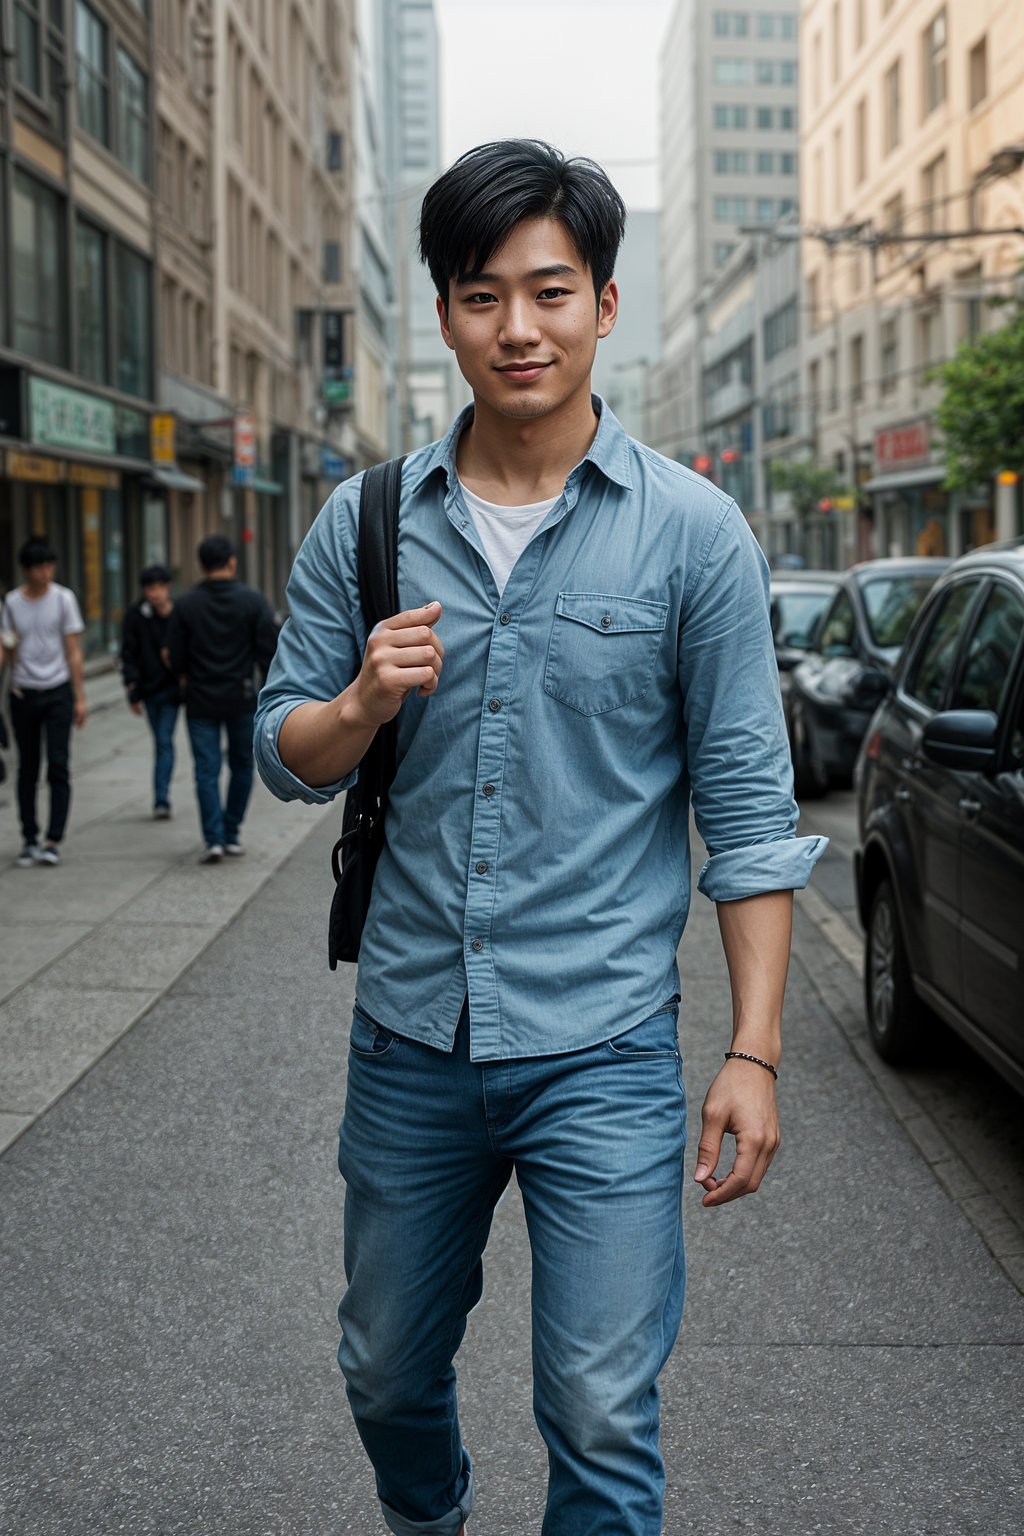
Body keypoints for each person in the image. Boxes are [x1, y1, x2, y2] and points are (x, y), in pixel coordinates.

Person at [254, 140, 827, 1536]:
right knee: (385, 1372)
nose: (518, 327)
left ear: (605, 306)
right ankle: (429, 1514)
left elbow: (750, 818)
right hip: (412, 1042)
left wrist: (750, 1053)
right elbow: (288, 757)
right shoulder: (369, 521)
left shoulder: (694, 534)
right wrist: (355, 702)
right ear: (443, 315)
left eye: (551, 291)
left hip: (607, 1051)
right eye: (481, 294)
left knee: (598, 1410)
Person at [165, 535, 277, 863]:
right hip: (241, 697)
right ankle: (231, 833)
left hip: (200, 698)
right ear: (232, 562)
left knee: (206, 769)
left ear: (201, 565)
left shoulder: (185, 604)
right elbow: (269, 652)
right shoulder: (253, 601)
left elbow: (176, 658)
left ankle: (212, 838)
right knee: (242, 765)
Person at [1, 537, 87, 868]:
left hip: (58, 691)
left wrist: (80, 698)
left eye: (50, 565)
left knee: (59, 765)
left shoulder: (64, 599)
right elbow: (6, 649)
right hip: (23, 693)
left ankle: (53, 839)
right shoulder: (11, 603)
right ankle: (29, 837)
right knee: (27, 767)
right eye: (39, 566)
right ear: (26, 569)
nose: (46, 572)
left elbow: (74, 651)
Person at [120, 563, 180, 819]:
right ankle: (161, 795)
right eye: (149, 588)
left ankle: (161, 798)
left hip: (173, 690)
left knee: (164, 740)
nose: (154, 593)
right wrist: (132, 690)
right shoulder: (136, 616)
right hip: (148, 689)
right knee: (160, 740)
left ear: (167, 588)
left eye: (159, 588)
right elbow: (128, 653)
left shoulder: (179, 614)